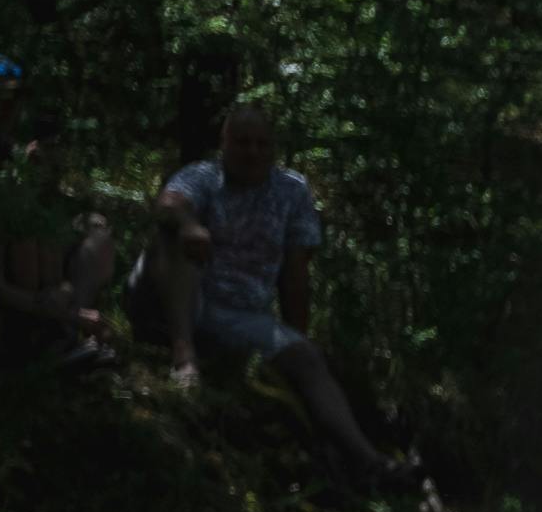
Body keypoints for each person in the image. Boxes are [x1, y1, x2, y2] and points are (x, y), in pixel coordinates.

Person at [151, 100, 390, 476]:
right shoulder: (202, 177)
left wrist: (294, 338)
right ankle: (184, 357)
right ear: (225, 143)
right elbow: (168, 204)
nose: (252, 152)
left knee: (306, 356)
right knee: (176, 237)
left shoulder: (291, 191)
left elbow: (296, 274)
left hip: (241, 316)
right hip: (182, 298)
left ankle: (369, 461)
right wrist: (187, 223)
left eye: (261, 144)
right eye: (243, 142)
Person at [0, 118, 124, 373]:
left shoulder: (40, 210)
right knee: (27, 239)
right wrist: (72, 315)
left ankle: (58, 341)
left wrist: (65, 296)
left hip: (39, 306)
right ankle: (43, 345)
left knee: (49, 234)